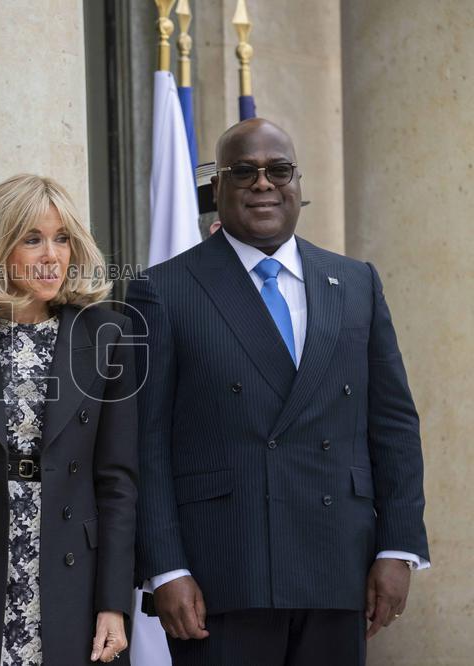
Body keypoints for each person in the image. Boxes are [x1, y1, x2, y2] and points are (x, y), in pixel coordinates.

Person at [127, 118, 429, 666]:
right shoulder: (161, 290)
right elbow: (145, 443)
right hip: (221, 571)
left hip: (339, 564)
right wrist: (166, 567)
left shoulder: (357, 281)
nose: (263, 183)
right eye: (243, 171)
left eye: (278, 169)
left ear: (298, 183)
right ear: (216, 189)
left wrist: (398, 547)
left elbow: (394, 425)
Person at [0, 174, 138, 665]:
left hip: (74, 573)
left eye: (62, 238)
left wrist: (114, 603)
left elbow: (118, 482)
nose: (52, 255)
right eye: (32, 239)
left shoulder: (108, 334)